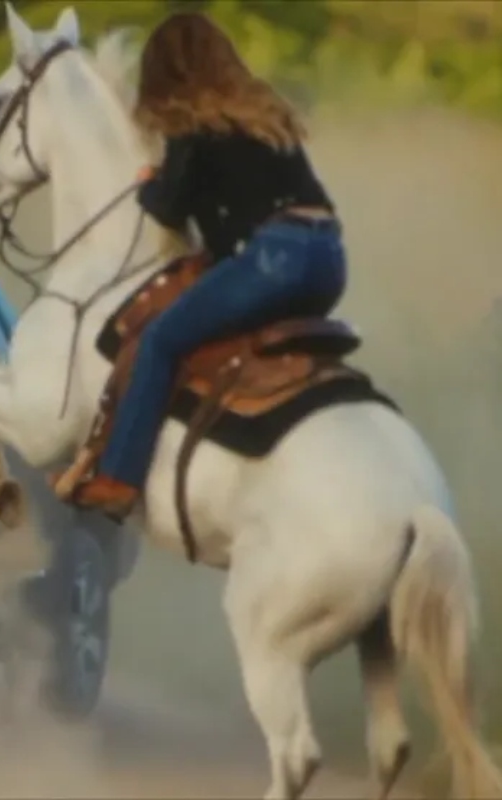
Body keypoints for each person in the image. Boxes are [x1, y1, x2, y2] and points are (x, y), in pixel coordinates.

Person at [56, 10, 347, 519]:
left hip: (276, 258)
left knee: (162, 339)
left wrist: (149, 180)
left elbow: (170, 207)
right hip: (328, 257)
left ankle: (118, 480)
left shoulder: (194, 123)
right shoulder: (263, 112)